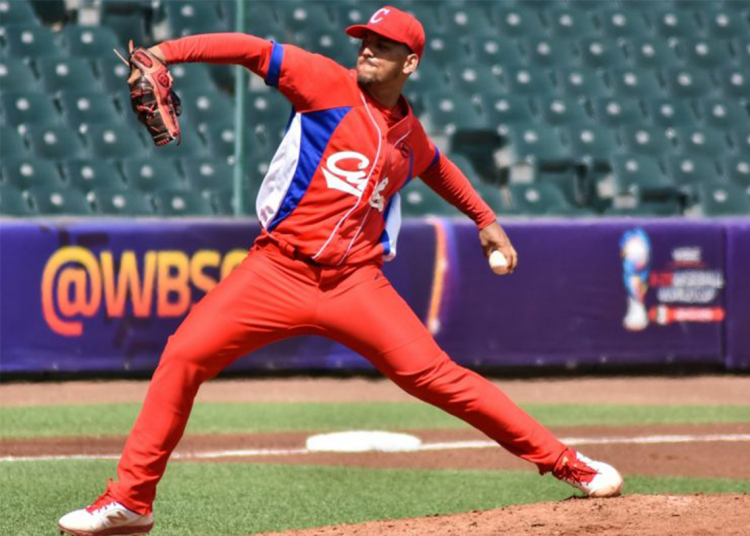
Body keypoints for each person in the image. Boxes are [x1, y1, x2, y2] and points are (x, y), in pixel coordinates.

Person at [58, 6, 622, 536]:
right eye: (366, 40)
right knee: (183, 355)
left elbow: (437, 167)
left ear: (411, 62)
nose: (369, 49)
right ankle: (131, 501)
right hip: (277, 269)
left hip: (356, 283)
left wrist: (485, 218)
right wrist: (165, 51)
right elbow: (253, 50)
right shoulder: (324, 82)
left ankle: (567, 464)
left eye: (384, 44)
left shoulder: (407, 133)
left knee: (439, 378)